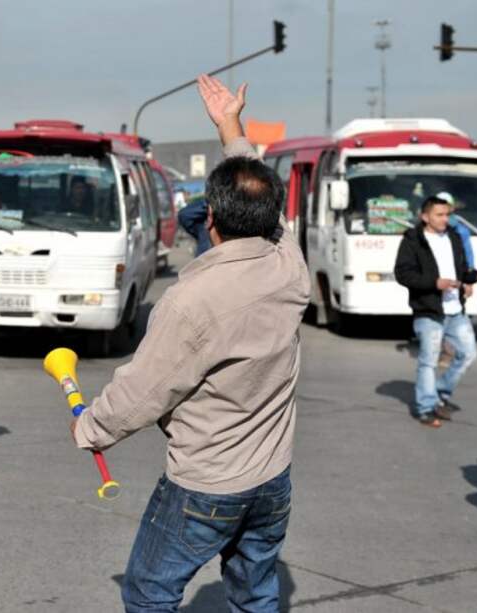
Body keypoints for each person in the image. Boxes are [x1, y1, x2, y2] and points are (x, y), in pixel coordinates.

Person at [70, 74, 310, 612]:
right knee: (256, 591)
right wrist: (232, 128)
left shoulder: (193, 300)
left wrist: (90, 427)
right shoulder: (288, 264)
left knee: (150, 591)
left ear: (213, 220)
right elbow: (263, 202)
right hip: (272, 478)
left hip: (207, 484)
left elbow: (144, 391)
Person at [393, 195, 477, 427]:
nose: (445, 219)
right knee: (429, 361)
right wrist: (434, 283)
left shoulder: (453, 236)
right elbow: (403, 273)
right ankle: (425, 407)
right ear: (425, 216)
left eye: (447, 215)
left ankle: (439, 392)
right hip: (428, 310)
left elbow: (460, 268)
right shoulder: (413, 240)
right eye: (439, 215)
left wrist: (470, 278)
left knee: (468, 353)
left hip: (455, 308)